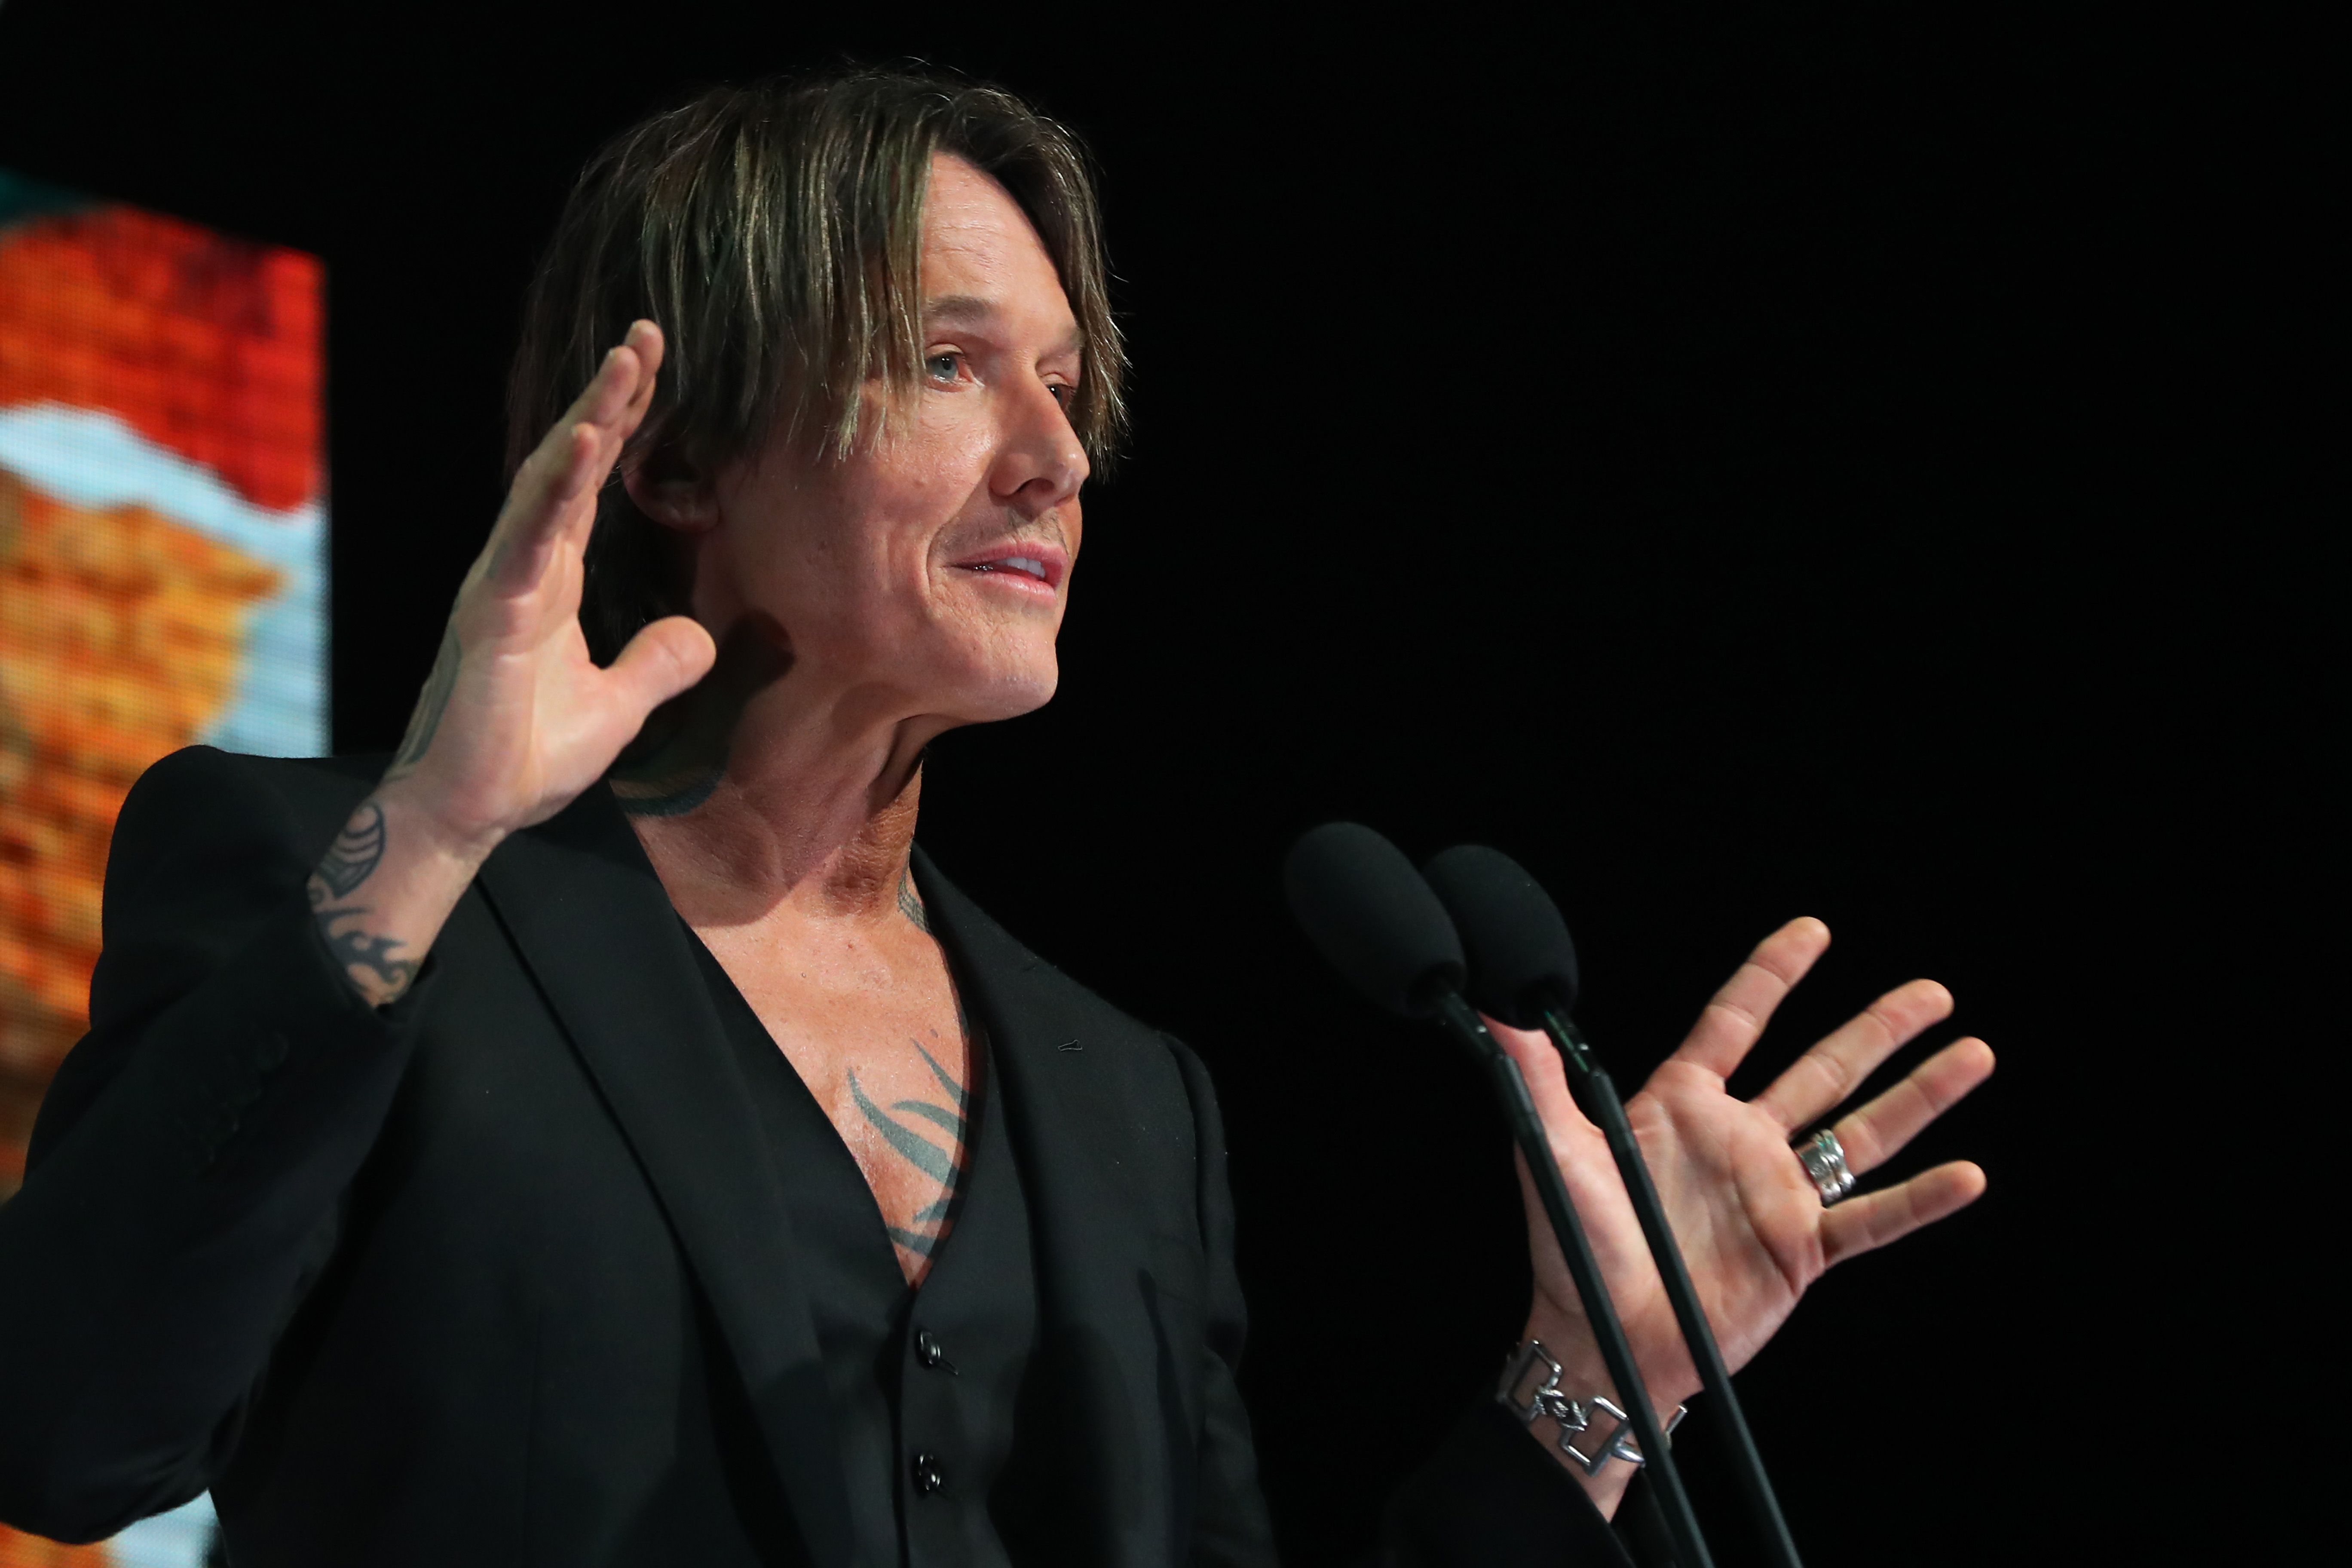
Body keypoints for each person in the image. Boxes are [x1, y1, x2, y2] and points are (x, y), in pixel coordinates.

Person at [0, 70, 1993, 1567]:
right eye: (953, 368)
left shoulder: (1127, 1095)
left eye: (1066, 392)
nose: (1054, 458)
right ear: (684, 451)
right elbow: (68, 1432)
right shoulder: (346, 888)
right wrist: (430, 837)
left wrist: (1592, 1397)